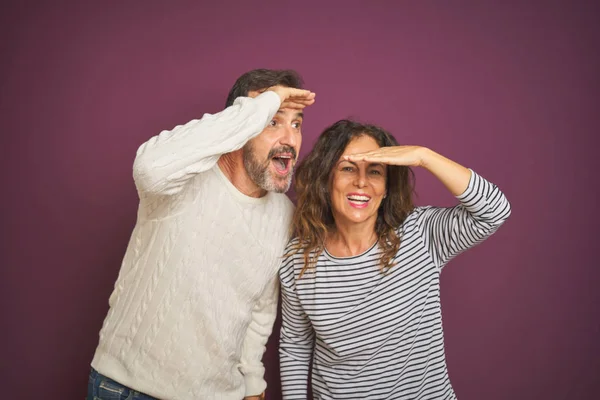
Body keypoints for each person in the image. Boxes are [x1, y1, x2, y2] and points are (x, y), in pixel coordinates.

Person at [87, 69, 316, 400]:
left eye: (297, 124)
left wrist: (252, 381)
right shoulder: (177, 182)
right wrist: (259, 107)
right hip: (127, 387)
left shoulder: (284, 215)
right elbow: (149, 167)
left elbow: (261, 307)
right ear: (240, 123)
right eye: (273, 120)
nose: (290, 139)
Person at [279, 119, 511, 399]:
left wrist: (425, 157)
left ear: (387, 187)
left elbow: (495, 211)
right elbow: (295, 344)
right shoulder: (298, 257)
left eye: (374, 172)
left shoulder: (421, 234)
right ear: (327, 180)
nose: (361, 182)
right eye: (348, 168)